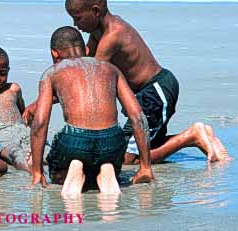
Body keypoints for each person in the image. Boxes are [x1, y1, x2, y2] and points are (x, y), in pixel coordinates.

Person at [63, 0, 229, 163]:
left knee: (128, 159)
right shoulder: (97, 32)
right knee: (145, 144)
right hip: (146, 95)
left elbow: (92, 77)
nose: (75, 24)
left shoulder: (112, 36)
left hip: (156, 91)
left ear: (95, 11)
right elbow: (86, 61)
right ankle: (199, 135)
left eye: (78, 18)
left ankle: (192, 136)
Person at [30, 26, 154, 197]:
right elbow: (138, 117)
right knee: (107, 154)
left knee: (57, 170)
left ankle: (76, 167)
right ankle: (106, 169)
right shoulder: (111, 69)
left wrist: (37, 173)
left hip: (75, 141)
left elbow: (40, 122)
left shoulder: (51, 73)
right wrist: (145, 167)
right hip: (111, 140)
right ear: (86, 50)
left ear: (54, 54)